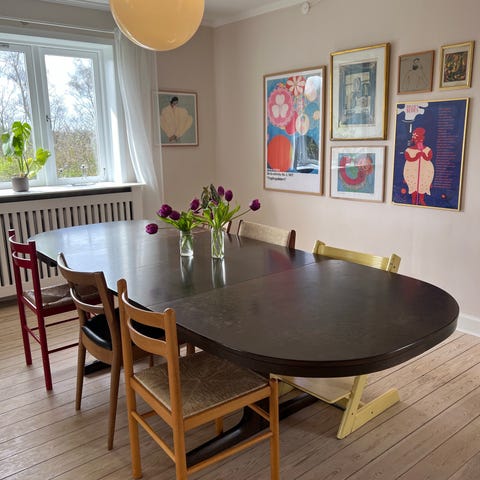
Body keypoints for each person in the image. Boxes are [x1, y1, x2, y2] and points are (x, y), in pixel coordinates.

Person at [403, 127, 434, 206]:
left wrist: (423, 155)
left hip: (424, 171)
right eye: (417, 139)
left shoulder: (427, 149)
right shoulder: (409, 150)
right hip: (412, 171)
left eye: (420, 139)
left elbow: (429, 158)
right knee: (414, 185)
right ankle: (413, 199)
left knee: (422, 185)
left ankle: (421, 199)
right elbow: (408, 158)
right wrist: (416, 156)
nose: (419, 141)